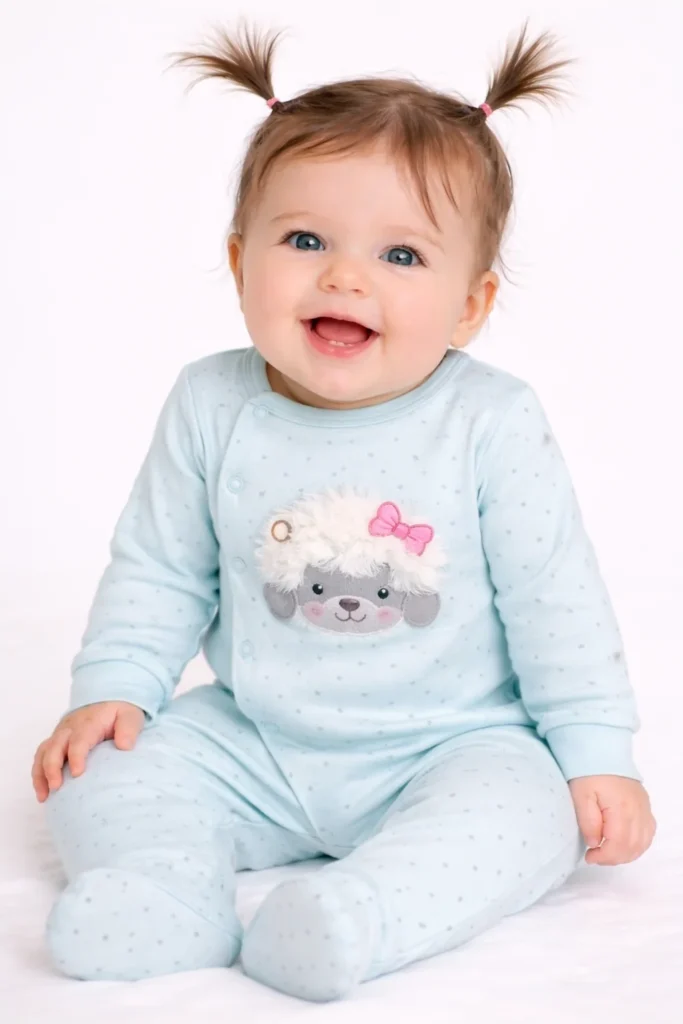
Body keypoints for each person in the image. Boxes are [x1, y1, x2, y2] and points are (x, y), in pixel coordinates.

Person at [32, 19, 656, 1001]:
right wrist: (115, 687)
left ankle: (353, 917)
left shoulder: (489, 420)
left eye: (401, 254)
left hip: (449, 743)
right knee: (98, 769)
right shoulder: (211, 401)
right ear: (239, 260)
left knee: (530, 812)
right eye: (304, 240)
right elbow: (160, 565)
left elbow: (554, 599)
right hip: (254, 736)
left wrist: (592, 755)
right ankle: (165, 890)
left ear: (470, 305)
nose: (344, 276)